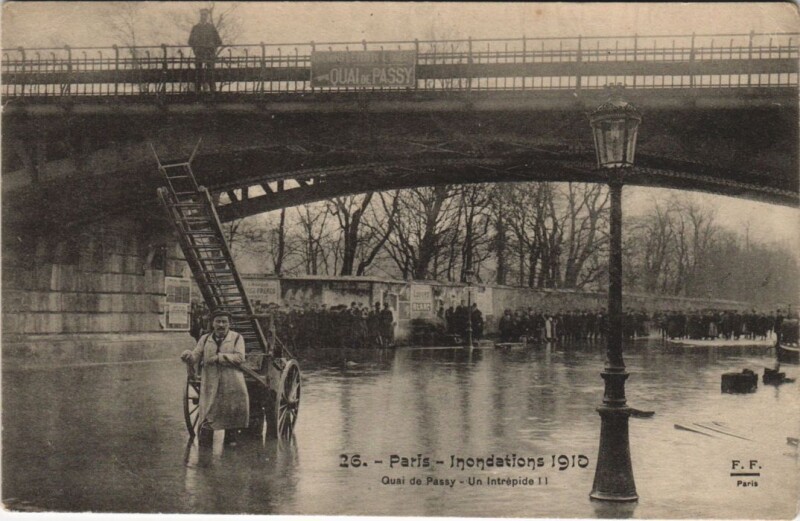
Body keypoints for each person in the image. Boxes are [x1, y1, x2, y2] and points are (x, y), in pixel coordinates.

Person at [180, 309, 249, 446]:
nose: (221, 325)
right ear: (212, 323)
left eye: (224, 322)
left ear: (229, 324)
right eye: (218, 321)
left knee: (231, 409)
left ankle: (231, 439)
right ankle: (205, 446)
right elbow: (195, 356)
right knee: (209, 409)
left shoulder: (236, 338)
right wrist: (188, 356)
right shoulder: (205, 339)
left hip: (232, 381)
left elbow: (240, 357)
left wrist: (220, 357)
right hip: (210, 381)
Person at [188, 9, 222, 93]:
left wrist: (213, 48)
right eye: (202, 15)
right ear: (200, 16)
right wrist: (195, 48)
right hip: (199, 53)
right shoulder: (195, 28)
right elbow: (190, 41)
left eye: (205, 15)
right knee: (198, 71)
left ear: (207, 16)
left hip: (209, 53)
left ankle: (212, 90)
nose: (203, 16)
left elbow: (219, 41)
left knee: (211, 71)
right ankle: (198, 90)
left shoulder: (211, 27)